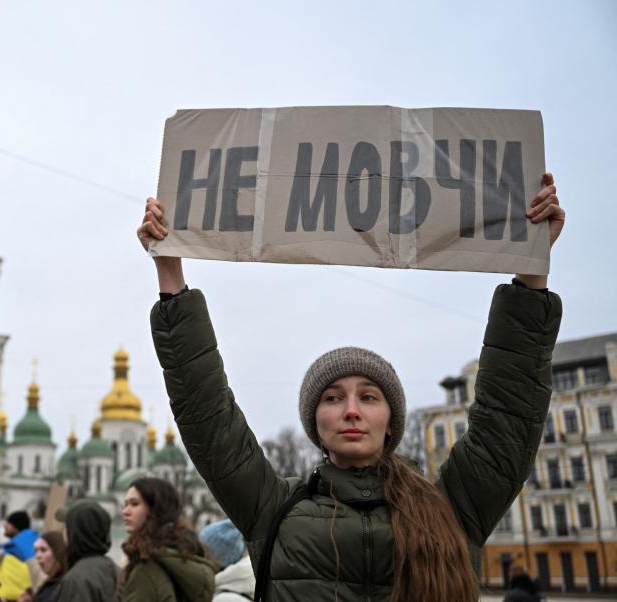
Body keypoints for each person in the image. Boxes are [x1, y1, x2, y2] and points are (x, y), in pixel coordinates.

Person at [137, 173, 565, 601]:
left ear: (391, 420)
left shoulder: (452, 507)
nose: (352, 410)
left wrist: (531, 275)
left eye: (369, 396)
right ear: (314, 421)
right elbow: (207, 414)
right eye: (333, 397)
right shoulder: (274, 509)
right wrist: (170, 273)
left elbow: (507, 416)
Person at [119, 478, 214, 601]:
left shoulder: (146, 569)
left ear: (156, 509)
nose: (125, 511)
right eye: (125, 504)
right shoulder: (187, 557)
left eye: (134, 504)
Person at [51, 500, 118, 602]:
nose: (62, 531)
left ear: (76, 531)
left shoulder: (77, 579)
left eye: (67, 526)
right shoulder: (115, 569)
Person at [198, 520, 253, 602]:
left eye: (203, 553)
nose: (200, 559)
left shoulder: (224, 599)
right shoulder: (237, 586)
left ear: (219, 559)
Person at [0, 511, 41, 601]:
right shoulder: (32, 539)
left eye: (8, 523)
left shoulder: (21, 543)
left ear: (16, 526)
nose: (4, 526)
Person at [17, 532, 67, 602]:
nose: (37, 556)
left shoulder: (64, 585)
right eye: (36, 551)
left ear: (58, 552)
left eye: (43, 550)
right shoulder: (51, 583)